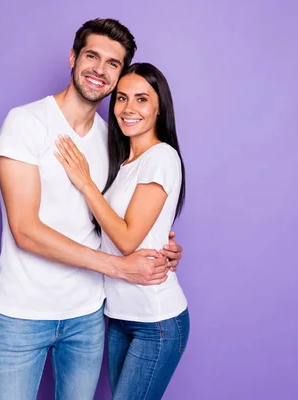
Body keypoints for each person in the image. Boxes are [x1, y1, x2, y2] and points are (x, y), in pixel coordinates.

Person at [0, 19, 184, 400]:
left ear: (120, 76)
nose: (100, 70)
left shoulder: (112, 141)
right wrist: (120, 266)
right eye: (92, 56)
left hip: (89, 315)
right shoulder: (26, 123)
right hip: (23, 312)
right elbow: (25, 230)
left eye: (113, 64)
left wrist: (162, 246)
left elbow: (117, 219)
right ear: (73, 57)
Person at [54, 62, 189, 399]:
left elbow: (128, 240)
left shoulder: (161, 157)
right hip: (118, 315)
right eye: (121, 98)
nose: (128, 109)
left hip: (154, 320)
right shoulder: (123, 162)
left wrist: (86, 185)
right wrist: (167, 246)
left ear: (159, 109)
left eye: (141, 99)